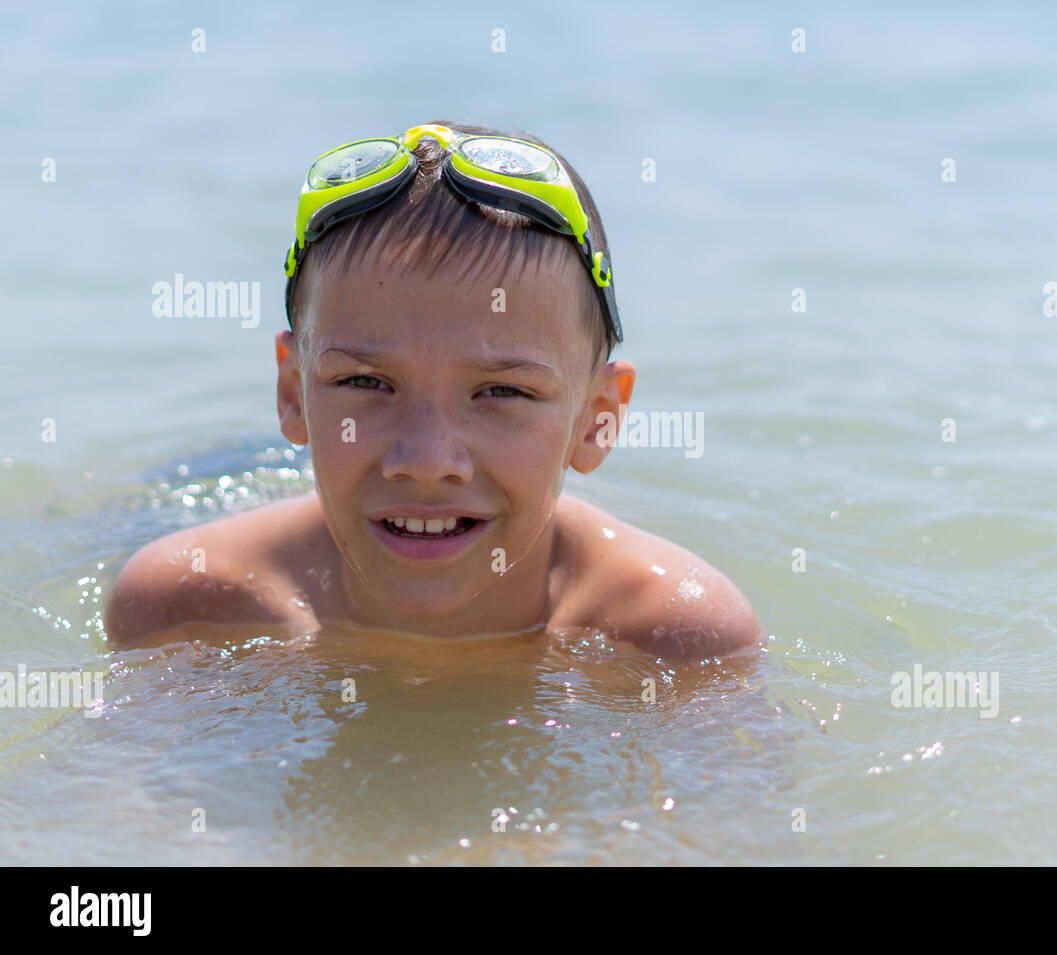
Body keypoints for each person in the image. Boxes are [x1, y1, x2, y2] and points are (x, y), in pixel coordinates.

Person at [104, 120, 762, 659]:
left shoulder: (676, 636)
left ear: (599, 420)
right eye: (365, 382)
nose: (424, 461)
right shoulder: (187, 605)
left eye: (502, 393)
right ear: (294, 393)